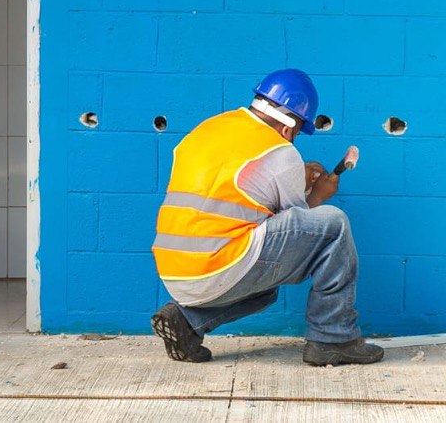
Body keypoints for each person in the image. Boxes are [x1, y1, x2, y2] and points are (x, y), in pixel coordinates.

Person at [150, 68, 382, 367]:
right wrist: (320, 195)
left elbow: (237, 197)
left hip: (176, 272)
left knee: (265, 287)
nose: (294, 140)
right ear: (289, 129)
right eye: (297, 133)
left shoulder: (209, 128)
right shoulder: (279, 150)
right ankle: (333, 338)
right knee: (333, 224)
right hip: (219, 266)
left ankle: (186, 320)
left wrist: (293, 178)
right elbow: (303, 230)